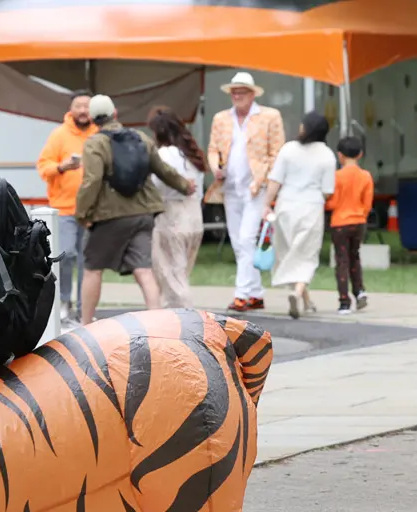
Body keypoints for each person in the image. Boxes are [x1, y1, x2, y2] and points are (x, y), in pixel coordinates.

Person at [75, 95, 194, 325]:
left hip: (110, 216)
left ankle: (86, 323)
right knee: (144, 270)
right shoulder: (140, 138)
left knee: (93, 269)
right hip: (143, 213)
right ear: (115, 114)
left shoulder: (95, 143)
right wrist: (185, 185)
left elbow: (92, 181)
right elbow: (163, 170)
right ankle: (158, 322)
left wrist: (82, 213)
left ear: (92, 119)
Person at [206, 72, 286, 313]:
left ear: (252, 94)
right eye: (234, 91)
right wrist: (215, 167)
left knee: (246, 237)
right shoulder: (221, 118)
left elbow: (277, 153)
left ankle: (242, 293)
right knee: (239, 241)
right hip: (230, 187)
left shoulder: (269, 116)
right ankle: (255, 293)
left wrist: (267, 180)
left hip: (256, 187)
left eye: (242, 91)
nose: (237, 95)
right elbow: (212, 149)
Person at [262, 111, 336, 319]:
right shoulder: (327, 156)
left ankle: (306, 300)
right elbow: (328, 190)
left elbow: (275, 180)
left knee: (290, 253)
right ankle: (297, 292)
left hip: (286, 206)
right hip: (311, 207)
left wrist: (266, 205)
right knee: (305, 254)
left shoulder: (288, 149)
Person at [36, 91, 97, 324]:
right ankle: (63, 301)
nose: (83, 111)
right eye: (78, 106)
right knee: (67, 254)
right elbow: (43, 167)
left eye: (87, 106)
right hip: (64, 208)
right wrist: (63, 166)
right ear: (71, 109)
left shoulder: (99, 135)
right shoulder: (59, 135)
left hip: (92, 210)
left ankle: (85, 309)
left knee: (87, 260)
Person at [146, 106, 206, 309]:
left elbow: (155, 185)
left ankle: (185, 320)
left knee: (172, 277)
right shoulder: (191, 154)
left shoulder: (162, 155)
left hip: (171, 215)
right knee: (181, 273)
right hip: (195, 215)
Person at [325, 136, 372, 315]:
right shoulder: (366, 176)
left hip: (339, 223)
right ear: (360, 154)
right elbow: (367, 203)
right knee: (355, 257)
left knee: (342, 261)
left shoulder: (336, 177)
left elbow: (332, 203)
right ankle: (360, 291)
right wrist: (361, 215)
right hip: (359, 221)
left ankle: (344, 301)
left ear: (340, 156)